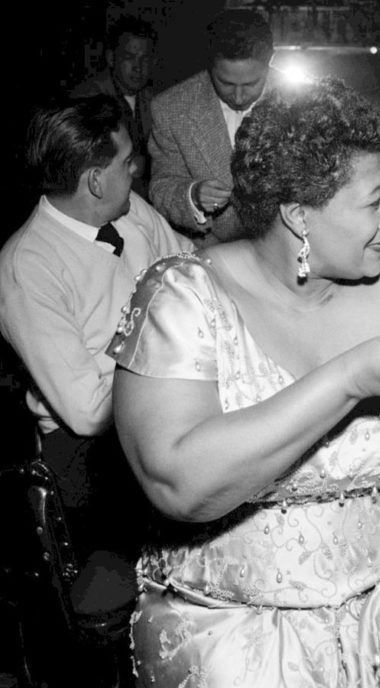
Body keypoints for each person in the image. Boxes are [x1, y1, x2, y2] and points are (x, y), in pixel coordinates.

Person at [107, 79, 380, 688]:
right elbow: (179, 485)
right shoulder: (183, 300)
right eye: (374, 201)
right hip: (232, 622)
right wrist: (349, 379)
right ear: (298, 215)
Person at [0, 95, 193, 558]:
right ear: (94, 181)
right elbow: (88, 411)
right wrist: (173, 357)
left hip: (166, 402)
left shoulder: (129, 209)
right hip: (92, 453)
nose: (137, 168)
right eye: (126, 162)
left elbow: (192, 267)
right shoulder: (28, 266)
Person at [148, 9, 273, 246]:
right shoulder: (170, 108)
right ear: (210, 65)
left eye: (251, 84)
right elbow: (161, 185)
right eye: (225, 83)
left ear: (270, 62)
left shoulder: (303, 102)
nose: (238, 97)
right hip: (210, 248)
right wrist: (192, 196)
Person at [71, 15, 157, 199]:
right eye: (130, 57)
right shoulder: (88, 100)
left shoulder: (157, 101)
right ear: (111, 58)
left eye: (145, 59)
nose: (138, 67)